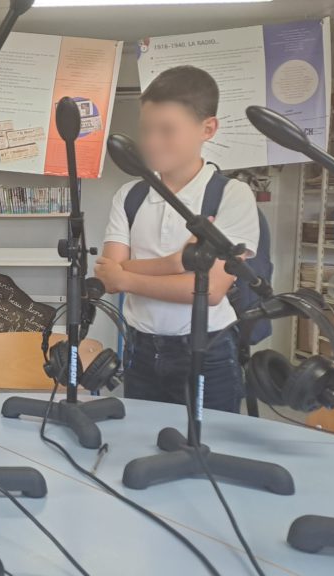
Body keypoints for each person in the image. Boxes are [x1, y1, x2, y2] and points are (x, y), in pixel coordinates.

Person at [94, 65, 259, 413]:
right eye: (146, 129)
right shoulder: (130, 195)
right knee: (142, 437)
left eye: (167, 130)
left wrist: (127, 276)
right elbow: (108, 277)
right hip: (140, 350)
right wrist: (175, 263)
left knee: (210, 441)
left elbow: (209, 291)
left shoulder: (231, 195)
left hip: (208, 350)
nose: (152, 142)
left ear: (207, 129)